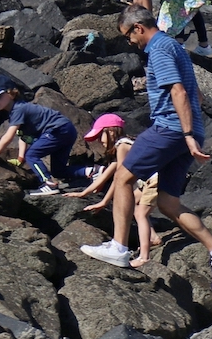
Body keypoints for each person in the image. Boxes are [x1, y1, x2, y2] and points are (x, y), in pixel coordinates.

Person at [80, 7, 212, 293]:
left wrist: (186, 134)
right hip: (185, 129)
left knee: (123, 177)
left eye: (128, 36)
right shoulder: (173, 46)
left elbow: (178, 91)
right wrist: (191, 132)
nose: (130, 42)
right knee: (167, 202)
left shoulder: (159, 49)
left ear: (139, 28)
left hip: (170, 127)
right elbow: (196, 94)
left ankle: (118, 246)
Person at [65, 114, 161, 266]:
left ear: (110, 131)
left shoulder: (122, 145)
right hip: (153, 179)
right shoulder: (127, 143)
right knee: (134, 202)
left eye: (99, 135)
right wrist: (84, 193)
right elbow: (110, 172)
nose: (98, 141)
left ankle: (144, 256)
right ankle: (152, 237)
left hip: (154, 180)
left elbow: (120, 179)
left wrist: (104, 202)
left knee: (139, 212)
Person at [0, 75, 78, 197]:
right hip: (66, 129)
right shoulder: (18, 109)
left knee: (32, 155)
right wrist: (20, 159)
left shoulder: (19, 109)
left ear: (11, 93)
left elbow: (8, 136)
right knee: (59, 170)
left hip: (57, 130)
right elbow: (23, 136)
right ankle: (93, 171)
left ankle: (49, 184)